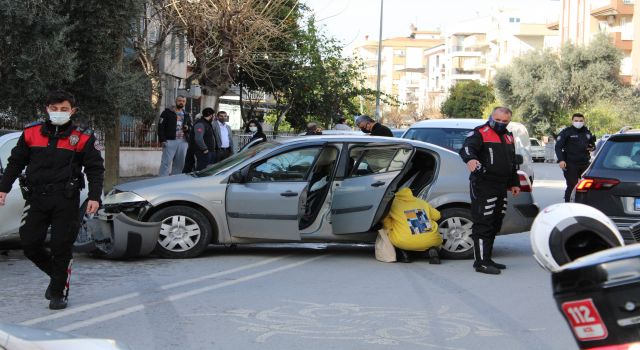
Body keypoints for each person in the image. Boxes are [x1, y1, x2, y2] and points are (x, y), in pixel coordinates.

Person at [0, 90, 104, 310]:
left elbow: (95, 168)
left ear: (72, 111)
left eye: (64, 109)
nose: (58, 113)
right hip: (37, 196)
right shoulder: (31, 132)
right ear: (47, 109)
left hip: (65, 198)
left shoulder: (83, 135)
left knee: (61, 245)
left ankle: (58, 292)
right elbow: (15, 162)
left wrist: (95, 195)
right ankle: (58, 275)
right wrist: (3, 188)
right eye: (54, 109)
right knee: (29, 243)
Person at [459, 107, 521, 275]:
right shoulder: (480, 132)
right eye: (498, 120)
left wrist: (514, 183)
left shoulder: (508, 136)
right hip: (483, 184)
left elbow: (512, 162)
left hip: (501, 185)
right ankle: (480, 263)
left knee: (495, 222)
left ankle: (487, 258)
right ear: (491, 117)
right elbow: (466, 149)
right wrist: (471, 159)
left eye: (504, 121)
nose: (500, 124)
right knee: (483, 222)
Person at [382, 187, 443, 264]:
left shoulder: (392, 204)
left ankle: (404, 254)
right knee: (432, 240)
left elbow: (386, 221)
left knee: (395, 235)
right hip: (432, 240)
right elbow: (437, 216)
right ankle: (432, 250)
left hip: (403, 241)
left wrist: (391, 228)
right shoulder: (421, 202)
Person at [555, 113, 596, 202]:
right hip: (570, 164)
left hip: (585, 164)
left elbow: (593, 146)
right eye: (576, 121)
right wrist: (561, 160)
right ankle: (568, 205)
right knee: (572, 185)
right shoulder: (566, 132)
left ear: (584, 121)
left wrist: (592, 147)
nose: (578, 122)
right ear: (572, 121)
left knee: (587, 186)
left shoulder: (587, 132)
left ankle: (584, 204)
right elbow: (558, 147)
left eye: (581, 121)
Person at [158, 96, 191, 176]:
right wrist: (162, 140)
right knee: (166, 162)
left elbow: (191, 127)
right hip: (170, 140)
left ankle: (174, 181)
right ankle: (162, 181)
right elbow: (160, 126)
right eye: (179, 100)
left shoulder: (187, 114)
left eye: (183, 101)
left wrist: (188, 128)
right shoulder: (167, 112)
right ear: (176, 101)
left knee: (180, 164)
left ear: (185, 103)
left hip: (183, 141)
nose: (181, 102)